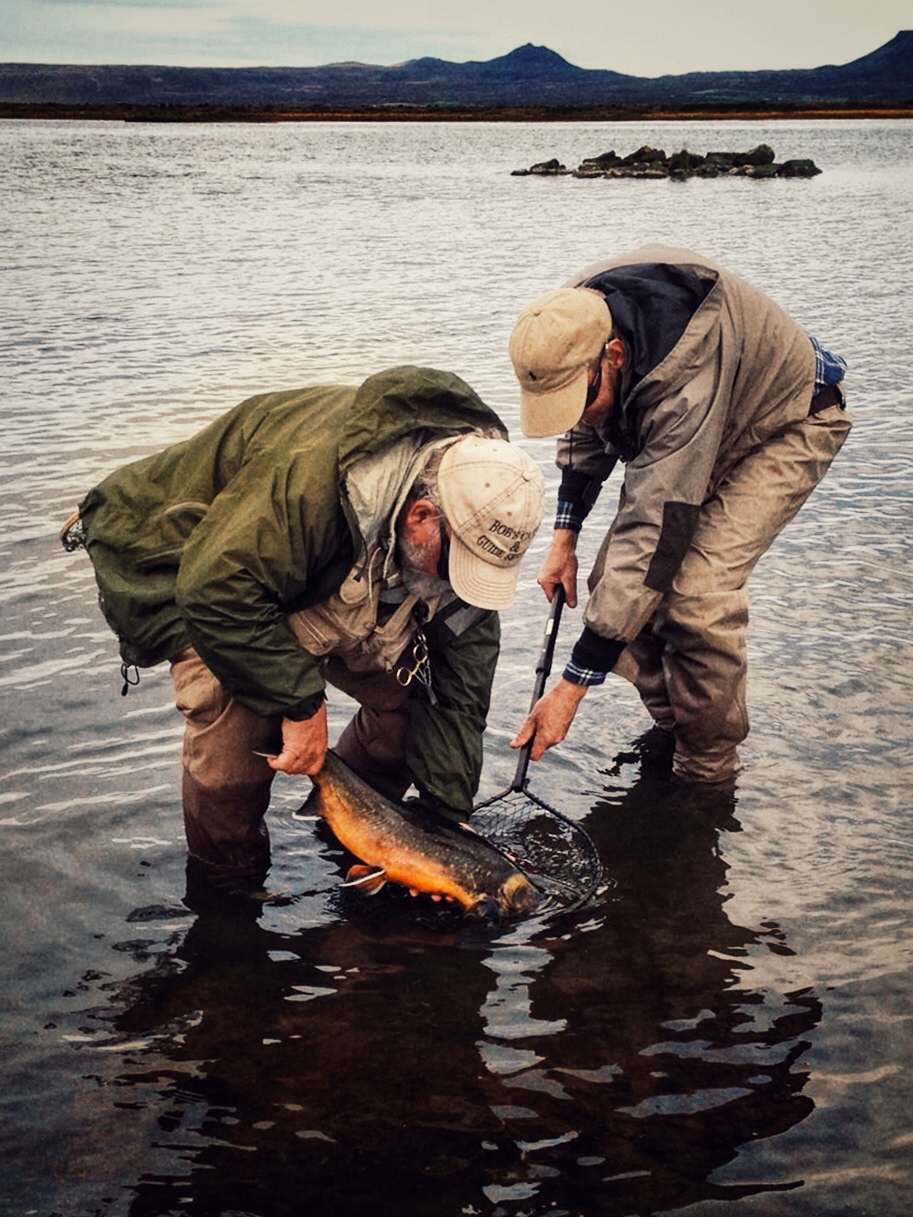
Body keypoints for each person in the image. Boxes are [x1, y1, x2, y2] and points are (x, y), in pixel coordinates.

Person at [61, 366, 544, 897]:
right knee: (233, 767)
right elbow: (215, 593)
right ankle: (227, 893)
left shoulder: (481, 502)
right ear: (421, 516)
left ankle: (355, 827)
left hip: (334, 578)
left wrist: (444, 828)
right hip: (212, 583)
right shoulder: (305, 488)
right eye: (460, 564)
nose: (463, 584)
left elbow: (461, 694)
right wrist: (301, 705)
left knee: (418, 712)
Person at [507, 244, 851, 785]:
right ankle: (681, 724)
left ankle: (708, 770)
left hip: (787, 421)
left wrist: (571, 687)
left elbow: (654, 530)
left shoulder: (679, 376)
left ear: (614, 356)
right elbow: (584, 425)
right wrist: (564, 538)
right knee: (609, 584)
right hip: (709, 419)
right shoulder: (571, 322)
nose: (573, 415)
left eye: (580, 397)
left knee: (695, 594)